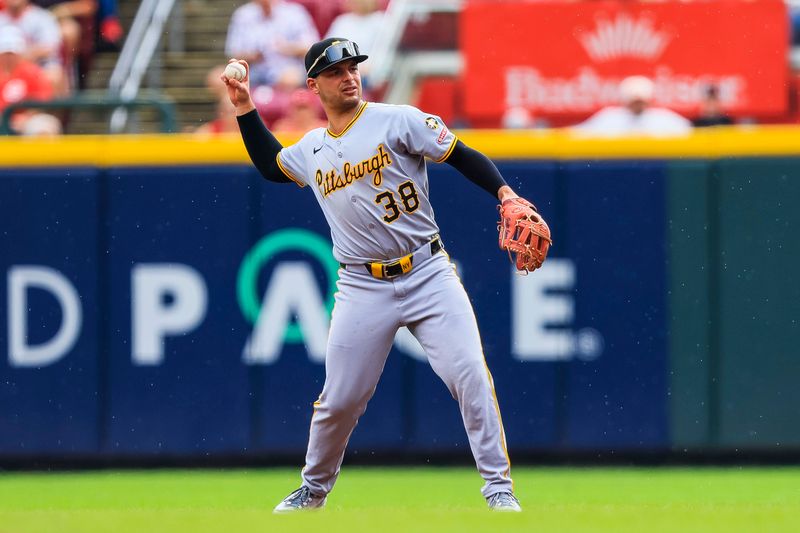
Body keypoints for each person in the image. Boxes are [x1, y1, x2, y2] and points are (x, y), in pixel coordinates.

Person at [222, 37, 538, 513]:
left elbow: (461, 154)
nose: (348, 76)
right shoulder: (311, 149)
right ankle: (312, 490)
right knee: (340, 401)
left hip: (428, 271)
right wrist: (245, 105)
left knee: (470, 373)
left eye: (352, 67)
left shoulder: (398, 119)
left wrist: (506, 194)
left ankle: (499, 489)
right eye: (335, 71)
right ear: (313, 85)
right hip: (361, 285)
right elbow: (271, 166)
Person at [224, 0, 319, 89]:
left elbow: (312, 49)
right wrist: (252, 56)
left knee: (289, 79)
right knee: (220, 79)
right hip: (251, 71)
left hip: (286, 69)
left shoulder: (295, 13)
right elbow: (233, 53)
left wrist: (287, 48)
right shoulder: (242, 15)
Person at [573, 75, 691, 137]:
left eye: (640, 101)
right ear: (625, 101)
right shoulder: (609, 118)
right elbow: (576, 135)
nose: (637, 105)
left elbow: (691, 133)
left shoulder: (664, 118)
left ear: (648, 100)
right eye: (634, 101)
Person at [0, 25, 58, 134]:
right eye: (5, 53)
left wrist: (26, 117)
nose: (8, 58)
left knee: (43, 127)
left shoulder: (32, 71)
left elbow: (44, 100)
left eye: (11, 53)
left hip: (28, 119)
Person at [0, 0, 67, 95]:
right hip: (5, 68)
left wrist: (20, 59)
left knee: (53, 74)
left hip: (37, 66)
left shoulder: (42, 17)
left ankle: (48, 109)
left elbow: (49, 47)